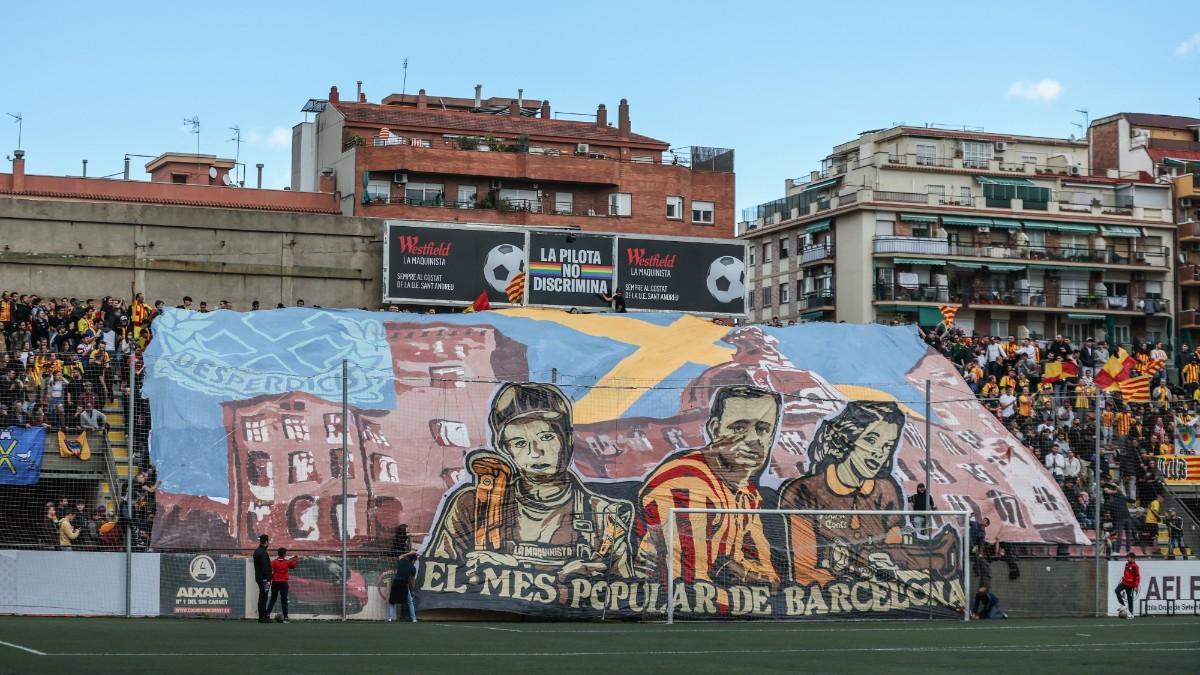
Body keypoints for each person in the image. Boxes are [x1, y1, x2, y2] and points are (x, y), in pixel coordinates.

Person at [427, 383, 633, 583]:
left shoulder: (604, 517)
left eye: (546, 437)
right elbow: (436, 578)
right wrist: (474, 574)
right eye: (520, 443)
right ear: (506, 450)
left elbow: (628, 600)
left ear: (569, 439)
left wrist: (596, 580)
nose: (535, 452)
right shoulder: (476, 505)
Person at [635, 385, 782, 589]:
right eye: (739, 427)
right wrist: (751, 582)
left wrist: (750, 577)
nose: (752, 439)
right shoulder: (686, 481)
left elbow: (769, 576)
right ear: (714, 429)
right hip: (664, 608)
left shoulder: (746, 493)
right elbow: (691, 586)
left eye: (763, 429)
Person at [266, 547, 298, 623]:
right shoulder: (287, 562)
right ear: (284, 554)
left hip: (275, 582)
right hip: (283, 583)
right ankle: (285, 618)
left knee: (273, 599)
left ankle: (267, 615)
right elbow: (293, 566)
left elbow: (270, 570)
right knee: (284, 600)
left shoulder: (274, 562)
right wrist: (295, 558)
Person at [387, 551, 419, 623]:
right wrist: (413, 590)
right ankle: (414, 619)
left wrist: (409, 553)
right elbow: (412, 580)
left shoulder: (402, 561)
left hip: (396, 582)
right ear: (413, 560)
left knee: (392, 602)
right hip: (403, 584)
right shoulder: (413, 568)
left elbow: (400, 556)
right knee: (410, 602)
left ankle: (389, 618)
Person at [1114, 551, 1140, 618]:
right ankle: (1122, 605)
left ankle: (1131, 614)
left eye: (1128, 558)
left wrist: (1136, 586)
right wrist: (1124, 579)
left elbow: (1137, 577)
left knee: (1130, 599)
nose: (1127, 559)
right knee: (1117, 590)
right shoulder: (1127, 564)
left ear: (1132, 558)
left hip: (1130, 585)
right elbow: (1126, 573)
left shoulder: (1135, 566)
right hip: (1124, 582)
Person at [253, 534, 272, 623]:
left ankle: (262, 617)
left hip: (260, 578)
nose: (269, 542)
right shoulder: (262, 552)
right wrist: (268, 578)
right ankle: (263, 617)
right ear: (266, 542)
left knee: (262, 597)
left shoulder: (258, 551)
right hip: (264, 579)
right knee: (263, 598)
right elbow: (265, 567)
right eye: (268, 541)